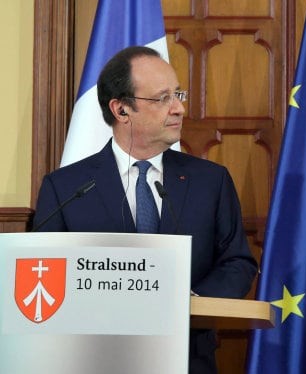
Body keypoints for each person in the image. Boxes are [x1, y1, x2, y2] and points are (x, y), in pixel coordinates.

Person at [33, 46, 259, 374]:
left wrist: (191, 301)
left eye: (178, 94)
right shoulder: (66, 188)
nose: (179, 108)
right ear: (122, 109)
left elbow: (237, 262)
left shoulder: (211, 180)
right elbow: (45, 270)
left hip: (187, 357)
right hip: (95, 359)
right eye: (163, 98)